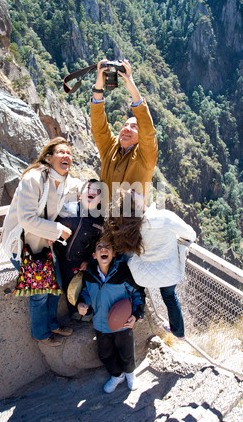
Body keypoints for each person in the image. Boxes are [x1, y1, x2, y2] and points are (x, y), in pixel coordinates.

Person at [2, 137, 83, 346]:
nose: (67, 156)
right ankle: (41, 334)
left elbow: (83, 188)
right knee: (40, 294)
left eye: (69, 153)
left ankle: (52, 323)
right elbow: (27, 219)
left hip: (42, 242)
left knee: (55, 284)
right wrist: (58, 230)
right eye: (61, 152)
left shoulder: (63, 181)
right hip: (23, 244)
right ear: (48, 158)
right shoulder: (33, 179)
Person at [104, 189, 197, 339]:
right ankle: (179, 333)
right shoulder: (164, 217)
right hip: (169, 274)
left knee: (128, 256)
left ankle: (139, 312)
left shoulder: (130, 228)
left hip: (143, 276)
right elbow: (191, 235)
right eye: (133, 194)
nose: (135, 189)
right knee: (169, 296)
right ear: (138, 207)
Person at [77, 234, 145, 393]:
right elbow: (85, 292)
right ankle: (117, 375)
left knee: (126, 353)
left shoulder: (123, 272)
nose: (103, 249)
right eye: (99, 247)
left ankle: (130, 374)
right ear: (94, 255)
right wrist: (82, 303)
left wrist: (135, 315)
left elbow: (138, 293)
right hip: (100, 325)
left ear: (114, 253)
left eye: (108, 247)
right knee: (105, 354)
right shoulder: (90, 274)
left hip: (123, 324)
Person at [91, 59, 158, 200]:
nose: (127, 129)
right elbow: (99, 128)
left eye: (134, 127)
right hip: (102, 216)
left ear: (141, 136)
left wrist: (131, 85)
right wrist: (98, 87)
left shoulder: (146, 155)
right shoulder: (110, 147)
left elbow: (147, 129)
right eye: (125, 125)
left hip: (129, 220)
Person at [53, 178, 104, 319]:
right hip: (57, 256)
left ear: (100, 200)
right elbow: (50, 225)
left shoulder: (99, 221)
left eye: (97, 191)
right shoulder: (66, 208)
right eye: (89, 189)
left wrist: (88, 260)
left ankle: (80, 313)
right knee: (59, 287)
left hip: (77, 261)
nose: (92, 192)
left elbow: (96, 244)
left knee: (74, 288)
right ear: (80, 194)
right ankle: (66, 314)